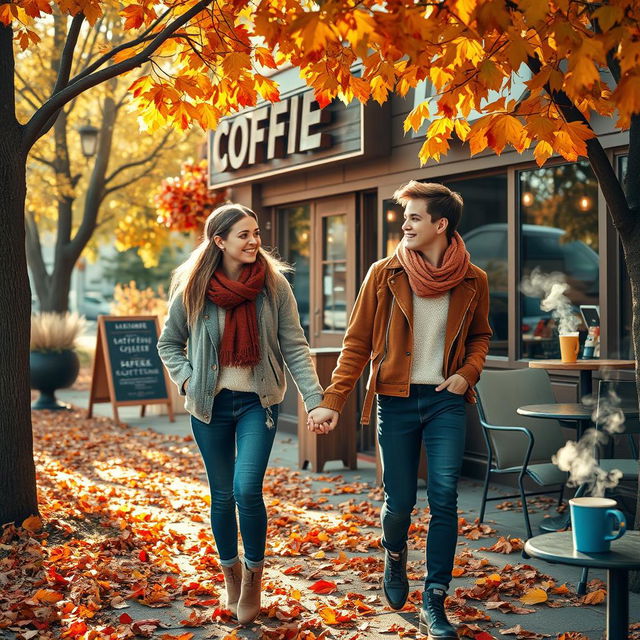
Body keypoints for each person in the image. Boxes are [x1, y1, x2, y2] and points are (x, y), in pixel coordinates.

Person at [308, 181, 491, 639]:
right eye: (404, 216)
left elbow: (481, 337)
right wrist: (333, 401)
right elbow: (356, 344)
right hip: (396, 399)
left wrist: (468, 373)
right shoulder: (384, 274)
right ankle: (394, 554)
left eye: (413, 217)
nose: (404, 224)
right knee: (401, 502)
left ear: (440, 224)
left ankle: (435, 597)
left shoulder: (474, 279)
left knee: (445, 497)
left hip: (447, 400)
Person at [158, 204, 328, 625]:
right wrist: (186, 380)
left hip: (258, 402)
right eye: (244, 235)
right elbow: (169, 344)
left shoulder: (273, 286)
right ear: (220, 241)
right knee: (221, 495)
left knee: (246, 489)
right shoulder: (193, 287)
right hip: (209, 405)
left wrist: (315, 398)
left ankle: (253, 578)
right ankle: (230, 577)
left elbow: (294, 346)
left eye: (256, 232)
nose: (255, 241)